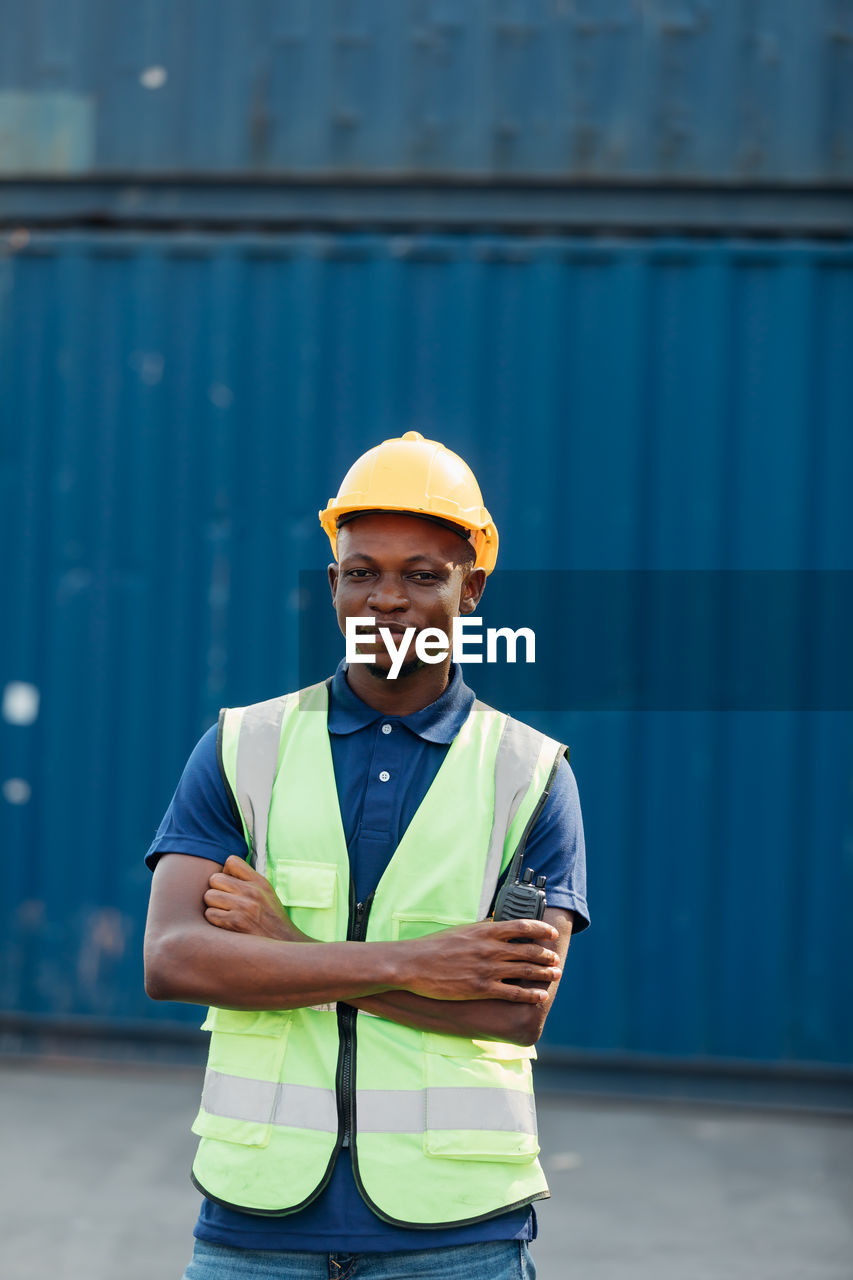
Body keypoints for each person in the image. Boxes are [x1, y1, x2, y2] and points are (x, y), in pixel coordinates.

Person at [143, 431, 589, 1280]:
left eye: (422, 574)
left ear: (471, 590)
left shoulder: (528, 775)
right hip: (256, 1226)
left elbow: (512, 1012)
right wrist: (421, 962)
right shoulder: (243, 747)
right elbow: (171, 961)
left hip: (455, 1233)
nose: (386, 598)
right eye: (361, 572)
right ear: (333, 586)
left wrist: (288, 950)